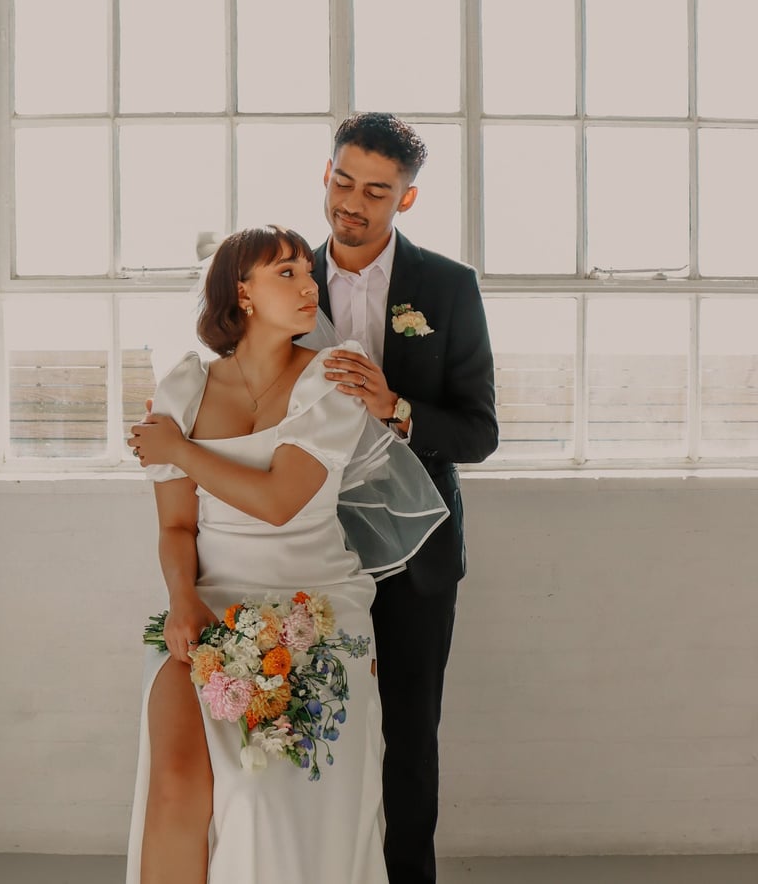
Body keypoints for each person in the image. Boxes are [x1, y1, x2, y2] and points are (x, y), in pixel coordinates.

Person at [124, 224, 446, 884]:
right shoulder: (185, 386)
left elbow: (279, 502)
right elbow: (177, 526)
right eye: (287, 273)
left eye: (307, 271)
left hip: (314, 608)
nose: (309, 286)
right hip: (208, 606)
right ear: (242, 293)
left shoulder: (334, 376)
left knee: (262, 801)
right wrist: (182, 602)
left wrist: (178, 449)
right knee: (176, 786)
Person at [314, 112, 499, 884]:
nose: (352, 203)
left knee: (410, 732)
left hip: (418, 553)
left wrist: (396, 408)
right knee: (311, 721)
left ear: (407, 199)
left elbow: (479, 431)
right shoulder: (282, 274)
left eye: (376, 191)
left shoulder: (448, 287)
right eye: (344, 181)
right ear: (325, 174)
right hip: (309, 542)